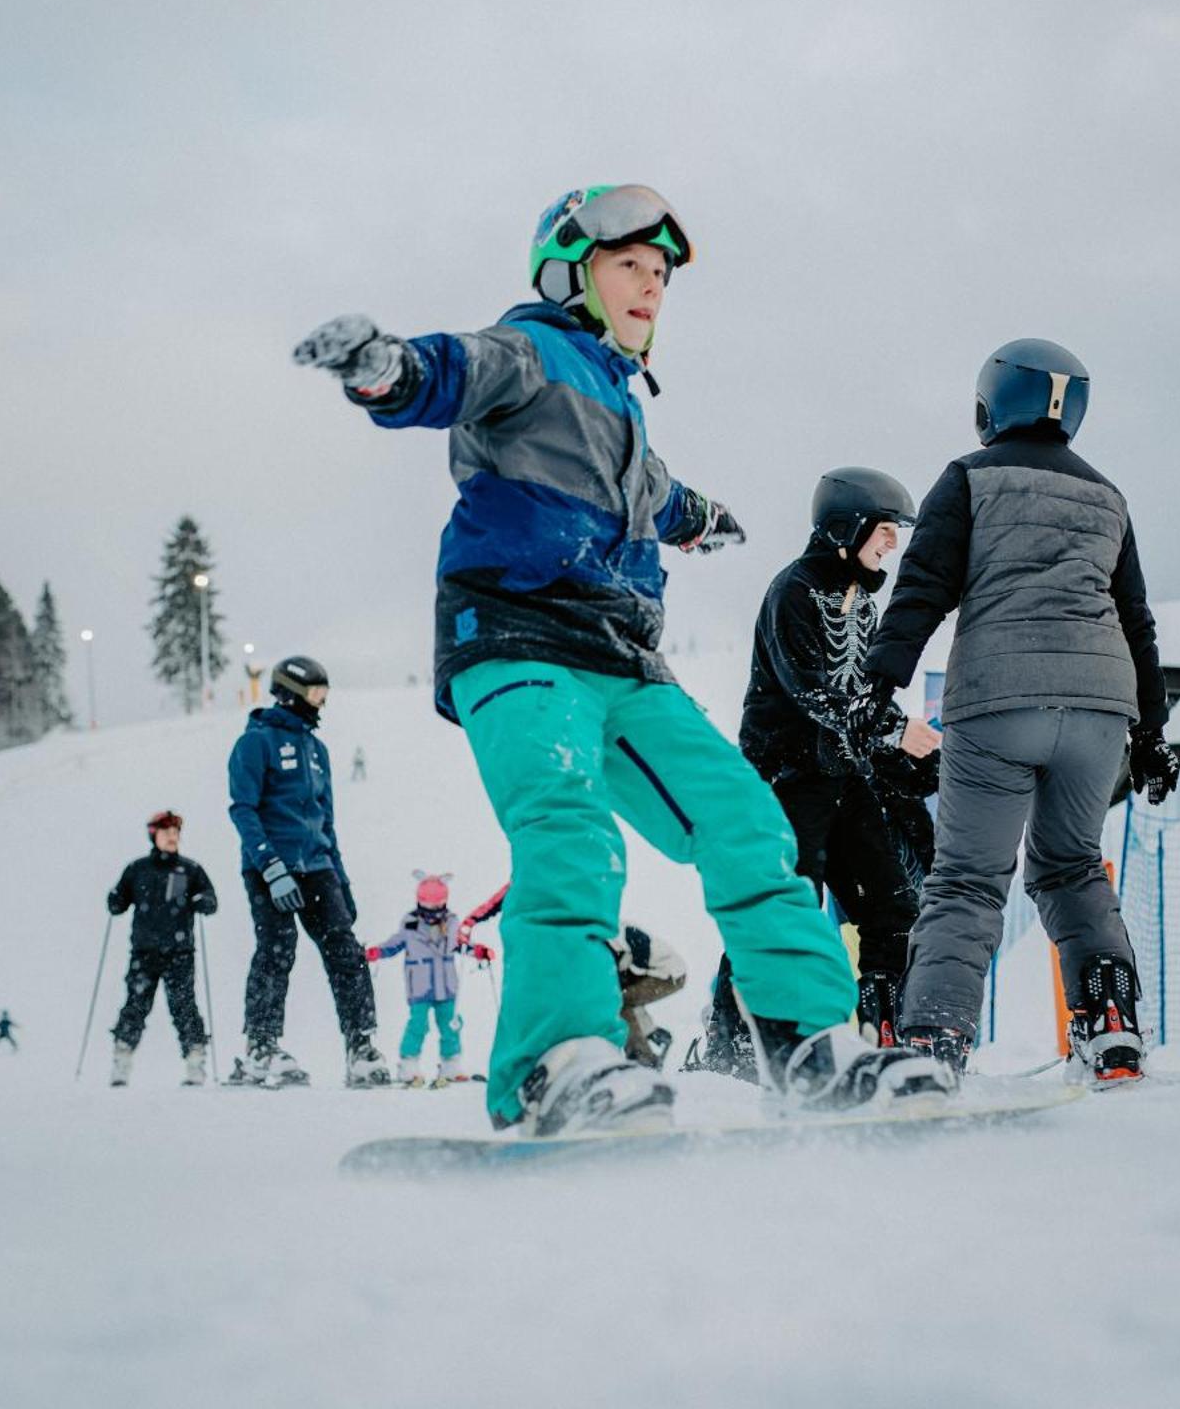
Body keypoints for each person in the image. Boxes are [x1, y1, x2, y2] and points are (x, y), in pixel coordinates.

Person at [293, 183, 954, 1136]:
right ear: (573, 273)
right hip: (516, 638)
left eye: (659, 275)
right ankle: (555, 1060)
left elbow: (654, 493)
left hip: (621, 661)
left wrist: (700, 519)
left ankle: (807, 1042)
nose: (650, 288)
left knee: (744, 822)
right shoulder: (528, 353)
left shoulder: (622, 403)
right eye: (629, 267)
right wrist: (383, 369)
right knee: (569, 833)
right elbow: (446, 374)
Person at [855, 338, 1179, 1084]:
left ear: (992, 402)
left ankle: (934, 1040)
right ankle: (1109, 1025)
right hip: (1099, 709)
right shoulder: (1107, 496)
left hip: (998, 700)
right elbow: (1136, 620)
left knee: (967, 877)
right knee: (1071, 867)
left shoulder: (968, 478)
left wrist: (879, 682)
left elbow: (923, 588)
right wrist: (1152, 731)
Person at [701, 467, 943, 1078]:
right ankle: (732, 1049)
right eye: (885, 531)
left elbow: (862, 696)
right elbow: (815, 692)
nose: (892, 544)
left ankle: (880, 1033)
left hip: (845, 777)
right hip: (785, 781)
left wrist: (911, 757)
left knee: (894, 907)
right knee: (783, 908)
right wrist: (894, 730)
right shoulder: (796, 591)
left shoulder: (862, 600)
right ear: (847, 527)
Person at [227, 656, 389, 1088]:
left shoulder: (318, 751)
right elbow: (243, 809)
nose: (322, 702)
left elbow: (326, 821)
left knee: (346, 952)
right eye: (317, 693)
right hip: (270, 867)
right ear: (294, 692)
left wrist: (342, 881)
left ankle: (361, 1048)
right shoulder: (255, 743)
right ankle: (261, 1047)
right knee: (277, 948)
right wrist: (270, 866)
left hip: (317, 866)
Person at [458, 883, 688, 1070]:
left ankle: (642, 1058)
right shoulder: (593, 936)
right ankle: (650, 1037)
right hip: (655, 971)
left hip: (669, 974)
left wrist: (635, 970)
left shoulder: (606, 932)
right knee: (619, 998)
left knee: (620, 1001)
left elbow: (640, 943)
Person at [106, 809, 216, 1086]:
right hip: (144, 951)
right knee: (135, 1005)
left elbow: (211, 900)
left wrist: (204, 900)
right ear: (154, 835)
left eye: (176, 833)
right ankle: (121, 1060)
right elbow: (118, 902)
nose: (173, 837)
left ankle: (195, 1060)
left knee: (183, 1006)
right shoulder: (137, 869)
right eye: (167, 832)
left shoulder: (190, 869)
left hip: (179, 952)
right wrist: (115, 900)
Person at [367, 874, 477, 1086]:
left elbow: (461, 943)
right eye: (428, 907)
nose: (432, 913)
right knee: (418, 1024)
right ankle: (408, 1065)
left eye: (437, 907)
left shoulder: (452, 922)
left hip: (446, 985)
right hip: (420, 984)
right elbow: (395, 943)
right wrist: (377, 952)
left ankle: (451, 1064)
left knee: (451, 1024)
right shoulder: (411, 923)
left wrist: (477, 951)